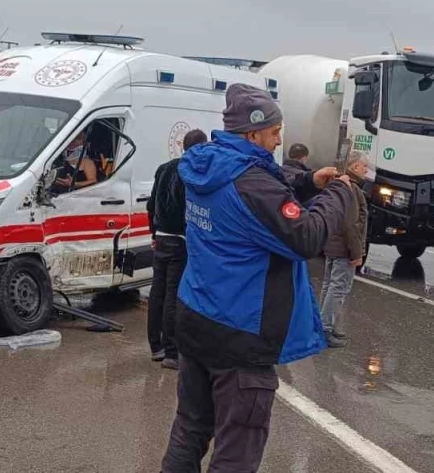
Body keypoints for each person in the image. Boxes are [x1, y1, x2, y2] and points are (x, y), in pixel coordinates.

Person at [162, 83, 353, 472]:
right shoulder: (252, 186)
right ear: (251, 133)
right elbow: (306, 238)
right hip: (240, 336)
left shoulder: (204, 164)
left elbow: (255, 181)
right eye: (273, 133)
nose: (277, 142)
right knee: (238, 449)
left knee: (190, 428)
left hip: (196, 318)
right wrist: (338, 193)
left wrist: (305, 181)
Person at [147, 128, 209, 370]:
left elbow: (151, 204)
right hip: (180, 240)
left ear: (183, 146)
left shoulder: (164, 168)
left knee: (157, 293)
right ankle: (172, 352)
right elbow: (187, 208)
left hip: (161, 238)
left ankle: (156, 346)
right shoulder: (190, 172)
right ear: (202, 148)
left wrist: (153, 232)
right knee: (174, 295)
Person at [319, 149, 369, 348]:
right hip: (344, 247)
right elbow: (352, 224)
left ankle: (323, 324)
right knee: (338, 288)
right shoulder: (353, 189)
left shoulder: (337, 184)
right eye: (365, 166)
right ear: (355, 166)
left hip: (332, 243)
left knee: (329, 285)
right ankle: (325, 328)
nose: (367, 170)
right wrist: (356, 253)